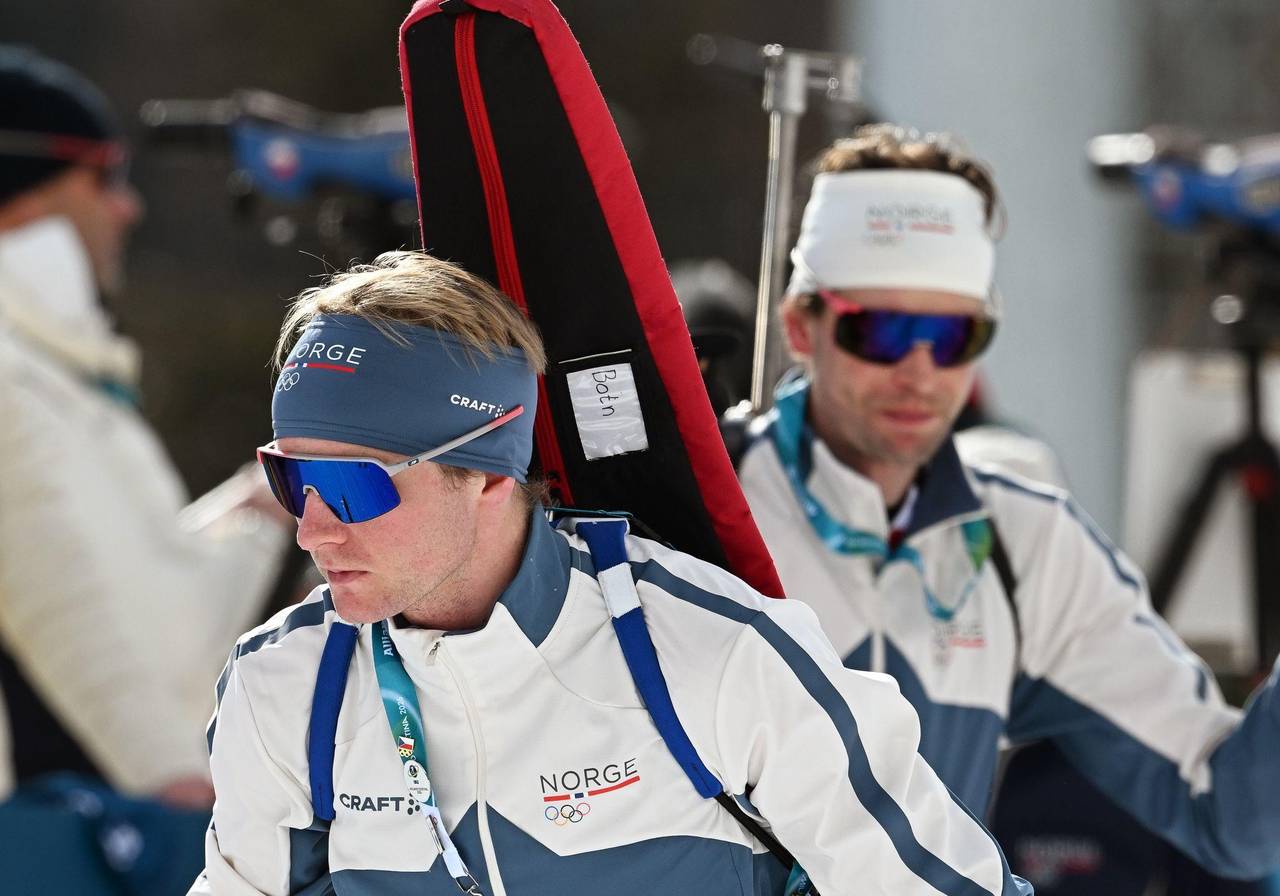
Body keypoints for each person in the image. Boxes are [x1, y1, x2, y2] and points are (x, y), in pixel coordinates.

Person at [192, 249, 1031, 895]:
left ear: (486, 474)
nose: (311, 528)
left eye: (349, 486)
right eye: (290, 478)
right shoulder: (286, 686)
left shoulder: (712, 653)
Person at [737, 124, 1280, 880]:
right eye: (882, 331)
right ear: (802, 326)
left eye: (954, 335)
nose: (920, 372)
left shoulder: (1025, 542)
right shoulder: (704, 514)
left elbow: (1232, 816)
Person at [0, 46, 292, 807]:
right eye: (104, 176)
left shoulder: (54, 357)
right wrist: (179, 790)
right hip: (71, 827)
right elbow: (60, 610)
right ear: (20, 190)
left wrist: (260, 510)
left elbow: (136, 600)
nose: (127, 207)